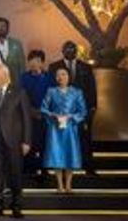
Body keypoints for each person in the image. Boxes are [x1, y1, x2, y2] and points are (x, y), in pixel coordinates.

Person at [0, 63, 33, 218]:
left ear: (4, 75)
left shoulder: (19, 93)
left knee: (15, 175)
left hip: (14, 141)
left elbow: (26, 119)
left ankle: (16, 207)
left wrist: (26, 141)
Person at [48, 41, 96, 173]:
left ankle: (88, 167)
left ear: (76, 51)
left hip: (82, 110)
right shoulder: (54, 67)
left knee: (84, 138)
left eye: (72, 48)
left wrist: (92, 107)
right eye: (67, 49)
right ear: (62, 51)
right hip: (61, 110)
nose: (70, 51)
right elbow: (50, 88)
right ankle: (63, 166)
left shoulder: (86, 67)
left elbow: (92, 88)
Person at [40, 64, 87, 194]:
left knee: (70, 155)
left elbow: (83, 112)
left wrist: (71, 117)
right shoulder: (51, 91)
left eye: (64, 74)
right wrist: (53, 115)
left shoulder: (77, 92)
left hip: (70, 128)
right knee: (57, 155)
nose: (61, 77)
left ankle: (69, 185)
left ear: (69, 76)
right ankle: (59, 185)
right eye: (58, 75)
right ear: (55, 78)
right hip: (55, 129)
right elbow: (43, 108)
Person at [19, 51, 51, 178]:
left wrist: (44, 111)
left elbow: (53, 96)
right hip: (28, 115)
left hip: (46, 115)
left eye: (37, 60)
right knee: (29, 141)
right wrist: (30, 111)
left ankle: (44, 169)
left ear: (42, 62)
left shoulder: (49, 77)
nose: (33, 63)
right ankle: (29, 168)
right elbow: (21, 96)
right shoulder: (23, 77)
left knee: (45, 142)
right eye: (31, 60)